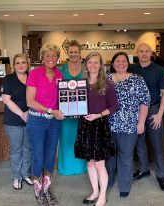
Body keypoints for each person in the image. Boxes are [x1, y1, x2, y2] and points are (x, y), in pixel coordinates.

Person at [74, 51, 118, 206]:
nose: (92, 65)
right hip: (85, 125)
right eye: (90, 62)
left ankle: (103, 196)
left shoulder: (106, 84)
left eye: (96, 62)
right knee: (90, 162)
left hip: (99, 126)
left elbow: (114, 107)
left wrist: (98, 115)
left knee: (100, 163)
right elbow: (75, 104)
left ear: (100, 65)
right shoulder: (80, 83)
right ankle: (95, 192)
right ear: (86, 64)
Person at [106, 52, 150, 198]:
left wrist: (141, 122)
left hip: (129, 125)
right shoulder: (106, 80)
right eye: (117, 61)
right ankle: (108, 181)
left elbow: (145, 102)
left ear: (128, 63)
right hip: (109, 124)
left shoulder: (137, 80)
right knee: (109, 156)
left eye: (123, 61)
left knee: (125, 155)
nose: (120, 63)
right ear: (112, 64)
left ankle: (124, 186)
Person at [26, 43, 64, 206]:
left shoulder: (60, 75)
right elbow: (30, 101)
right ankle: (38, 191)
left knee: (50, 156)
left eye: (54, 55)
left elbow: (62, 100)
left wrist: (65, 110)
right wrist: (50, 110)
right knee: (38, 156)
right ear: (42, 58)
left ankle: (47, 188)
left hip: (54, 122)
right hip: (37, 120)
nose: (51, 58)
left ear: (57, 58)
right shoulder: (34, 74)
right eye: (47, 55)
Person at [131, 43, 164, 192]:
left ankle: (161, 175)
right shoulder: (132, 69)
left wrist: (160, 114)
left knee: (156, 144)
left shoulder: (159, 70)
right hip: (136, 110)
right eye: (141, 51)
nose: (144, 54)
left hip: (153, 109)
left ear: (151, 53)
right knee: (139, 142)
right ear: (137, 53)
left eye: (147, 51)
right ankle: (143, 169)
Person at [2, 53, 33, 190]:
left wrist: (29, 113)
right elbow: (6, 99)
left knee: (28, 148)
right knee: (16, 149)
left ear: (27, 64)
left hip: (32, 118)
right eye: (18, 63)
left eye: (23, 62)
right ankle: (16, 176)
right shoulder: (8, 79)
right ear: (14, 65)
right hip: (13, 119)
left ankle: (25, 173)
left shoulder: (33, 78)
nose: (21, 65)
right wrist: (22, 113)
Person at [58, 40, 87, 176]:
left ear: (80, 53)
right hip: (66, 112)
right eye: (71, 52)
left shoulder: (87, 68)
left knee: (81, 138)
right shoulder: (60, 69)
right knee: (67, 138)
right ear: (67, 54)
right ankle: (66, 167)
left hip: (83, 112)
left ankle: (81, 167)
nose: (74, 54)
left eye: (76, 52)